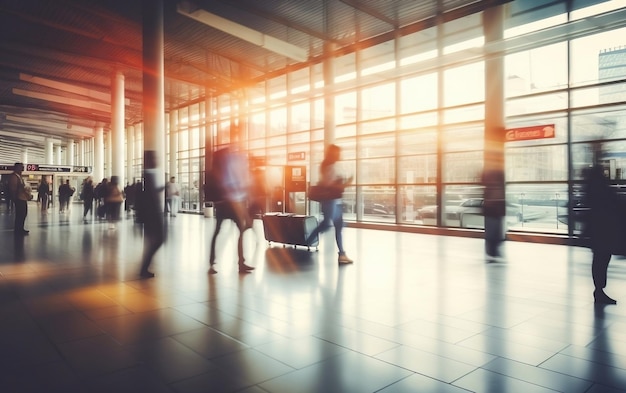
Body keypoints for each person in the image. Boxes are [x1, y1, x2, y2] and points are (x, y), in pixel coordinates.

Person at [207, 147, 255, 274]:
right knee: (236, 231)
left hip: (227, 205)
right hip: (227, 205)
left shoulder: (216, 172)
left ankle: (216, 263)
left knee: (219, 232)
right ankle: (240, 263)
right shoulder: (218, 173)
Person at [306, 144, 354, 264]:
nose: (339, 155)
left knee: (338, 226)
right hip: (330, 200)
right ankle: (307, 241)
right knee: (326, 225)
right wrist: (345, 184)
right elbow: (328, 184)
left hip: (335, 200)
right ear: (333, 154)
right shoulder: (329, 166)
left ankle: (342, 254)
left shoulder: (331, 166)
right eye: (337, 153)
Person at [582, 165, 623, 305]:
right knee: (602, 259)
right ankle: (599, 290)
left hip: (598, 230)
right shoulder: (602, 189)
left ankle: (599, 289)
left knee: (600, 259)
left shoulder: (591, 188)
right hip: (604, 230)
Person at [138, 151, 165, 278]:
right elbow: (150, 197)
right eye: (155, 157)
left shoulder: (148, 175)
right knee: (159, 239)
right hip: (152, 214)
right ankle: (144, 268)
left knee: (153, 241)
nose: (157, 160)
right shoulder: (148, 175)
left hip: (151, 214)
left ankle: (144, 268)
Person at [482, 155, 506, 260]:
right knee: (494, 230)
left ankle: (492, 251)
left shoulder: (490, 173)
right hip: (494, 206)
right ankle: (493, 251)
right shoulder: (498, 173)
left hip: (493, 205)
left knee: (494, 230)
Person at [6, 162, 30, 235]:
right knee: (20, 214)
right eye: (21, 167)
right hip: (19, 198)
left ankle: (20, 228)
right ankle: (18, 230)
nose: (23, 168)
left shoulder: (19, 176)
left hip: (22, 198)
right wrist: (15, 199)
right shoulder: (14, 177)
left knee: (23, 214)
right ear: (17, 168)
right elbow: (13, 189)